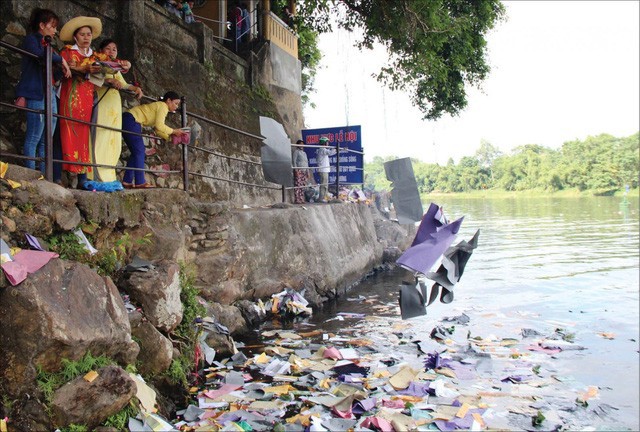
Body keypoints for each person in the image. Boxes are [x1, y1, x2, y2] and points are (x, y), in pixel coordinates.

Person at [14, 8, 71, 173]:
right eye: (52, 26)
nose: (55, 30)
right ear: (41, 25)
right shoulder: (32, 40)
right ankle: (31, 173)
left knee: (47, 138)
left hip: (49, 93)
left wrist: (64, 68)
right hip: (36, 92)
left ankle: (46, 175)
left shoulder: (49, 47)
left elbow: (53, 73)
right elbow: (39, 55)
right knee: (34, 136)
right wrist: (61, 59)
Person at [58, 16, 103, 189]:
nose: (86, 37)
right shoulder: (68, 51)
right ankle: (68, 172)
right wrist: (82, 68)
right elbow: (65, 67)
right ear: (75, 37)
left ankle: (83, 177)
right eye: (82, 34)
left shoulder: (96, 56)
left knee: (84, 134)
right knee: (68, 131)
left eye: (89, 34)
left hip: (87, 98)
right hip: (71, 96)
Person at [90, 39, 142, 183]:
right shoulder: (96, 63)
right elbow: (92, 79)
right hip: (102, 103)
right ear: (100, 50)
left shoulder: (116, 68)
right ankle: (96, 174)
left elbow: (124, 84)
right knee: (100, 136)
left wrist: (135, 88)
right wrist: (108, 81)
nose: (111, 51)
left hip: (114, 106)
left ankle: (109, 175)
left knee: (113, 139)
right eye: (108, 48)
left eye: (114, 49)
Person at [121, 91, 188, 188]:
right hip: (132, 120)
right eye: (176, 103)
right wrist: (174, 131)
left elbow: (157, 129)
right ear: (168, 100)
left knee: (137, 152)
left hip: (130, 119)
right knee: (140, 152)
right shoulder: (163, 107)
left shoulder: (160, 106)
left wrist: (169, 138)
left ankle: (127, 181)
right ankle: (140, 182)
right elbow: (160, 125)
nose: (177, 107)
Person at [315, 136, 336, 202]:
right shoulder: (322, 149)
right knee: (323, 185)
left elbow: (329, 152)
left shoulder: (323, 149)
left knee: (325, 185)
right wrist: (336, 149)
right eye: (327, 142)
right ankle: (321, 198)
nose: (328, 143)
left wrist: (336, 150)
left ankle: (324, 197)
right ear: (324, 143)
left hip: (324, 170)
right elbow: (330, 153)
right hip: (323, 170)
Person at [292, 139, 310, 204]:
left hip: (304, 171)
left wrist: (308, 171)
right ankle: (297, 199)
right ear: (297, 145)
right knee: (298, 185)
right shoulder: (296, 152)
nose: (302, 145)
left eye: (303, 144)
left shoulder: (304, 153)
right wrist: (296, 170)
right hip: (299, 170)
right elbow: (294, 161)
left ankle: (301, 199)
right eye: (300, 144)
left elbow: (306, 162)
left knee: (302, 185)